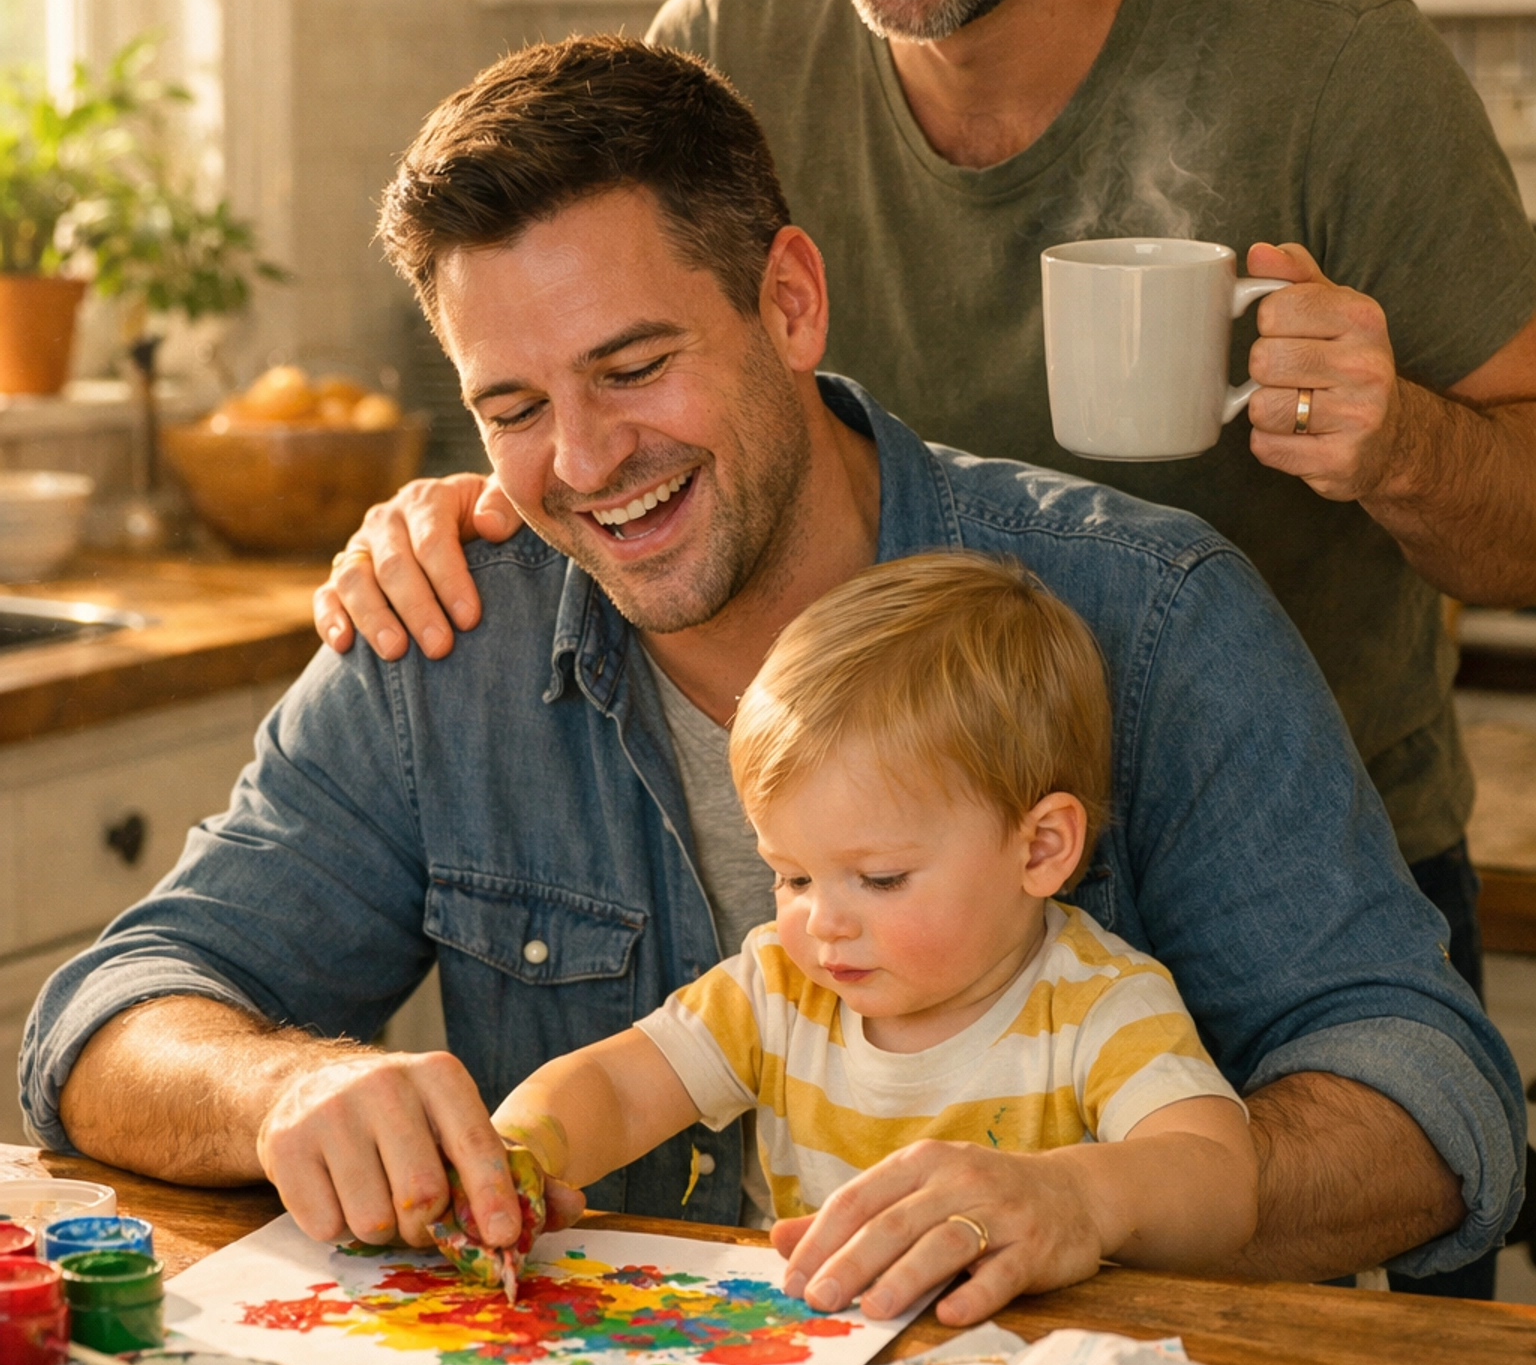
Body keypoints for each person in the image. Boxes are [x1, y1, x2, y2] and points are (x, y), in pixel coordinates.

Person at [23, 41, 1520, 1365]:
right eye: (512, 405)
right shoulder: (446, 636)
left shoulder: (1142, 610)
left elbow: (1437, 1102)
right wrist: (294, 1083)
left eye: (634, 364)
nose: (584, 459)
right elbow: (109, 1011)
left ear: (791, 300)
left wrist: (1087, 1203)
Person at [484, 551, 1258, 1322]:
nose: (822, 922)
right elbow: (617, 1091)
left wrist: (1076, 1197)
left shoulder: (1098, 1005)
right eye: (792, 877)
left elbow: (1220, 1181)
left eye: (880, 879)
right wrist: (514, 1156)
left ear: (1041, 848)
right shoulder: (781, 989)